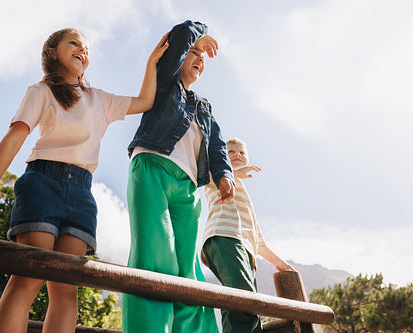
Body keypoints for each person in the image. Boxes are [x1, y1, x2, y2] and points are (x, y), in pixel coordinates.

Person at [0, 28, 168, 333]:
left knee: (66, 287)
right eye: (74, 43)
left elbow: (145, 101)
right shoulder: (41, 91)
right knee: (29, 275)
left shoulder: (100, 99)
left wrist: (152, 61)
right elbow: (16, 136)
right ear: (52, 51)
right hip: (43, 181)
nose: (82, 50)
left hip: (82, 193)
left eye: (86, 48)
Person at [123, 20, 235, 333]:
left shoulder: (205, 107)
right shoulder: (164, 83)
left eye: (204, 55)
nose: (200, 58)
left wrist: (224, 174)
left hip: (188, 188)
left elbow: (217, 146)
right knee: (155, 256)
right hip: (152, 168)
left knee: (188, 268)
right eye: (193, 52)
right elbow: (181, 35)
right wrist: (202, 33)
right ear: (178, 55)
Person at [201, 137, 296, 333]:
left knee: (238, 302)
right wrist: (233, 173)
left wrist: (281, 264)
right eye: (231, 152)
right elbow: (207, 180)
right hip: (225, 238)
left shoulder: (245, 196)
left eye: (242, 152)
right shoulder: (222, 177)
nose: (237, 155)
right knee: (246, 302)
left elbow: (258, 242)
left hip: (245, 250)